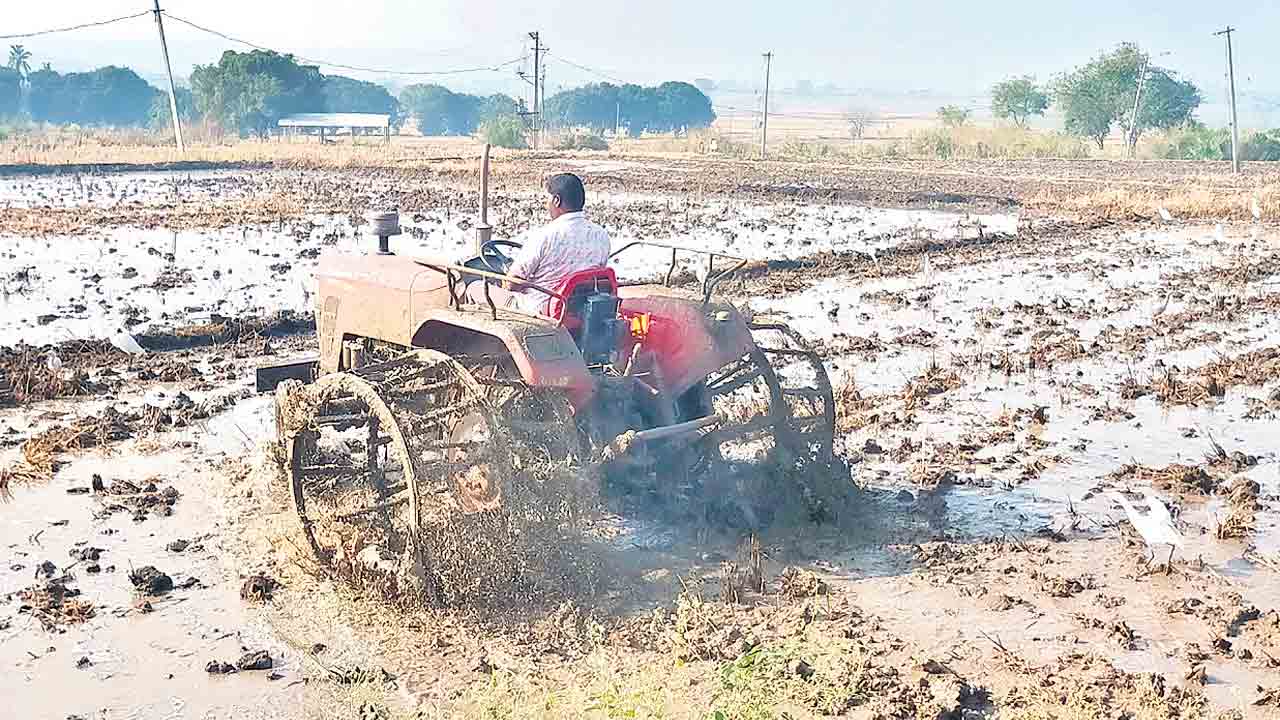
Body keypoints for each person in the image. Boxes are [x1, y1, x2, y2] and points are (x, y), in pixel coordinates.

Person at [466, 173, 611, 314]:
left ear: (556, 200)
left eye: (547, 198)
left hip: (538, 308)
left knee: (475, 287)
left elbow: (512, 284)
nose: (546, 205)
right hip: (579, 308)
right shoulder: (601, 235)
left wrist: (505, 280)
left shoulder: (544, 235)